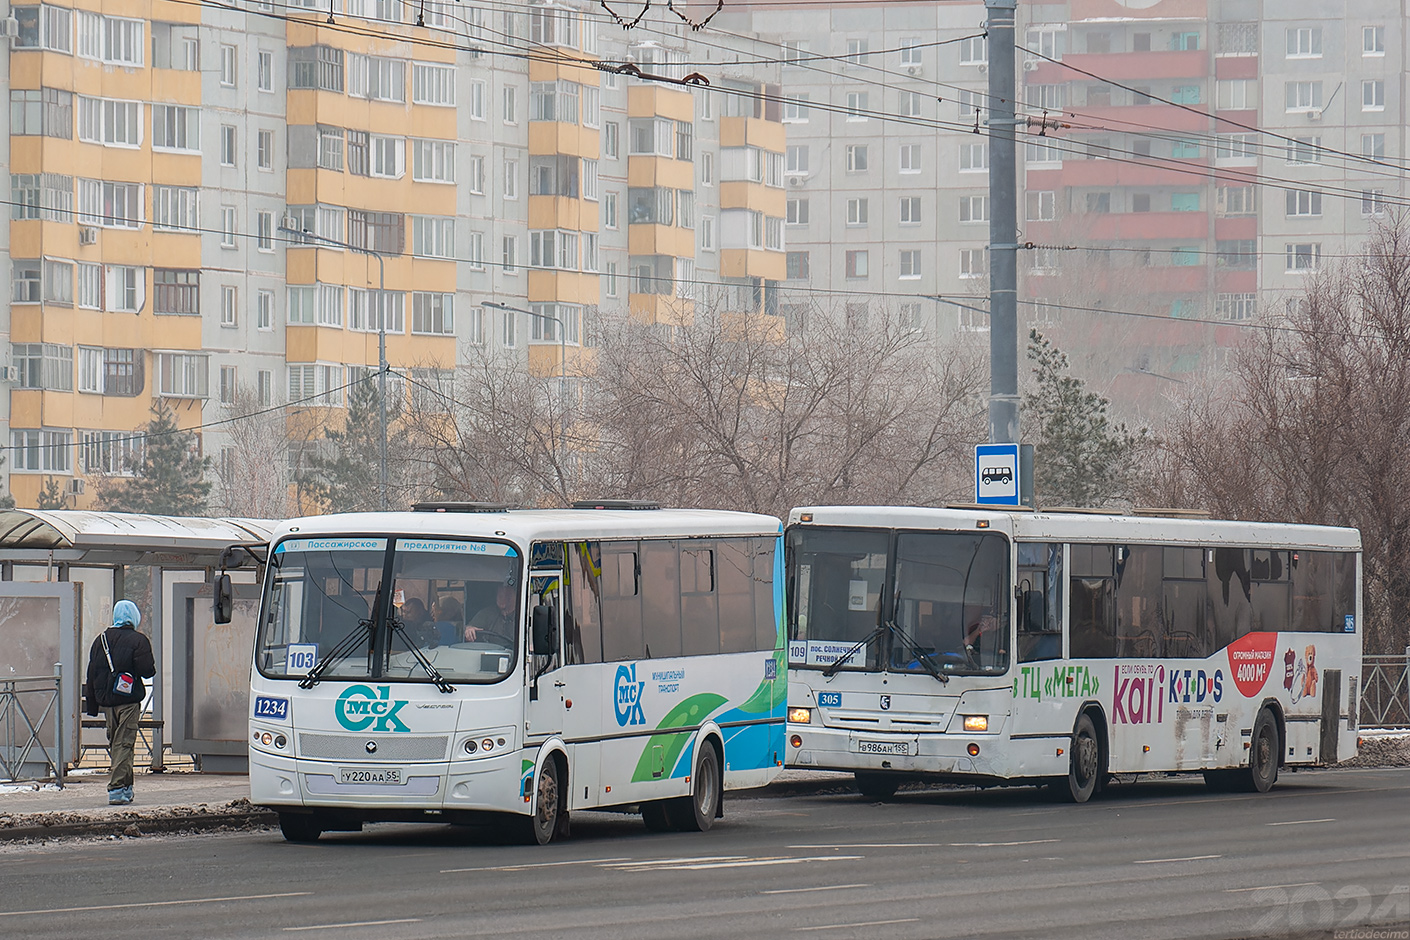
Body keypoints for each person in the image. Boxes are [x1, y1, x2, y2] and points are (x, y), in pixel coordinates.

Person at [84, 600, 156, 806]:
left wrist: (92, 705)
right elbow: (147, 671)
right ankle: (116, 789)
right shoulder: (138, 640)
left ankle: (126, 788)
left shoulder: (101, 640)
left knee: (119, 744)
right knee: (124, 744)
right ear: (134, 617)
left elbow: (92, 673)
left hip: (107, 702)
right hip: (128, 701)